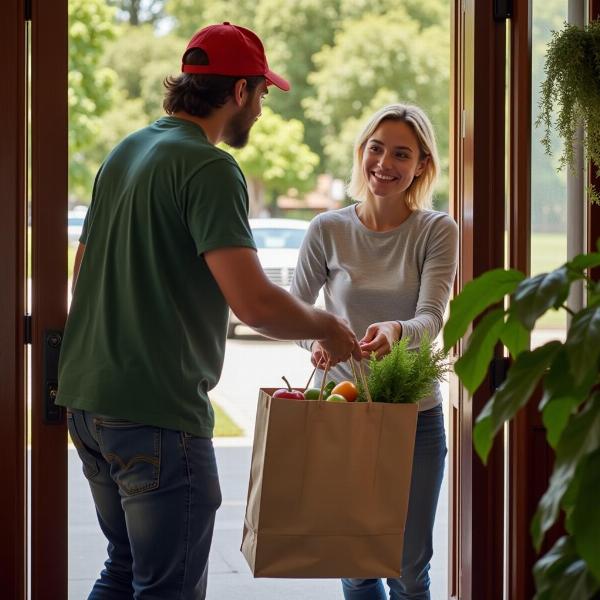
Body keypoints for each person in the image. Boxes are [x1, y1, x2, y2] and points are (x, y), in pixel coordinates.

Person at [56, 22, 360, 600]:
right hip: (157, 412)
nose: (262, 110)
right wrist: (328, 325)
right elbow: (253, 302)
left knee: (125, 573)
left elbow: (81, 274)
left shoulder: (126, 150)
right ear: (240, 92)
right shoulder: (210, 168)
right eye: (263, 94)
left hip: (88, 404)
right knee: (166, 588)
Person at [290, 103, 458, 600]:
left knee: (408, 568)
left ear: (421, 165)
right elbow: (294, 311)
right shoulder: (327, 228)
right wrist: (317, 337)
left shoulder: (436, 230)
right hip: (339, 407)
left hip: (414, 412)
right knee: (356, 562)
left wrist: (396, 329)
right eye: (376, 148)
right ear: (362, 152)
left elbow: (431, 318)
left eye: (401, 153)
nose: (385, 162)